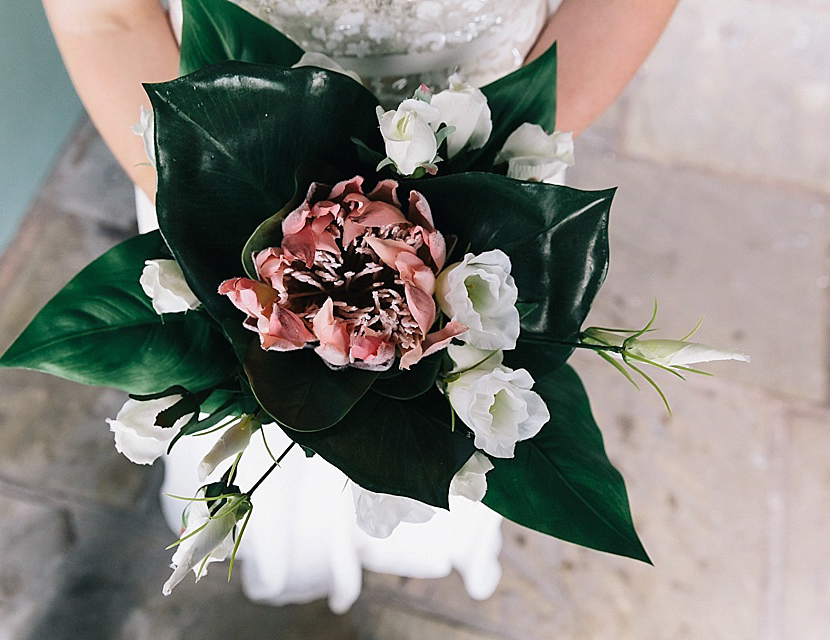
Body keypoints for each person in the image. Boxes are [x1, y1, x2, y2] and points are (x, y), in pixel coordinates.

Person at [42, 0, 678, 613]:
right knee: (266, 409)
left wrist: (496, 182)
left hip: (494, 150)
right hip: (236, 162)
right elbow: (107, 17)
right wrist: (226, 219)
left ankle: (427, 513)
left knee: (457, 425)